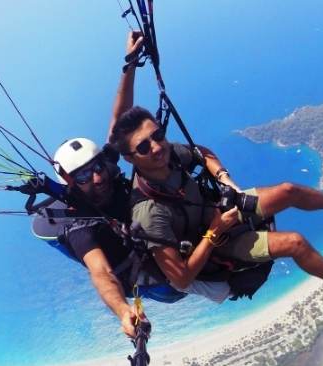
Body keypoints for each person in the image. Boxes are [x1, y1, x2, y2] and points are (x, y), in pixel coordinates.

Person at [39, 32, 230, 337]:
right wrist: (123, 311)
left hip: (160, 230)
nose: (98, 178)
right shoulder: (79, 226)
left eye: (98, 167)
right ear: (71, 183)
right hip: (152, 275)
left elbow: (119, 122)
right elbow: (100, 273)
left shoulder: (108, 169)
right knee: (224, 286)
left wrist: (129, 64)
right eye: (85, 177)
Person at [108, 106, 323, 302]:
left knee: (288, 190)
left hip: (223, 210)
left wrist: (224, 178)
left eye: (157, 135)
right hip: (217, 243)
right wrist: (214, 233)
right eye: (144, 147)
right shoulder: (148, 213)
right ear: (131, 159)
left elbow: (201, 153)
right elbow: (180, 279)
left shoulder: (168, 155)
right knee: (295, 242)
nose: (156, 147)